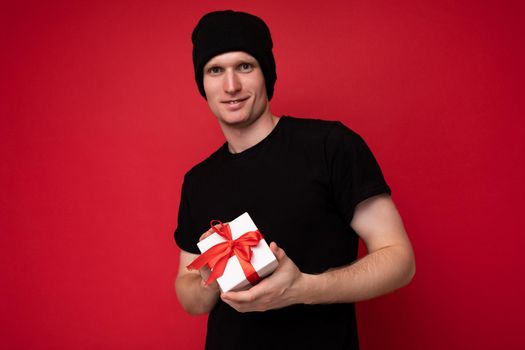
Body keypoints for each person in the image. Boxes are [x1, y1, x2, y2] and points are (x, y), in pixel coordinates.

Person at [174, 10, 415, 350]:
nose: (231, 86)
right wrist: (211, 279)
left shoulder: (330, 145)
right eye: (215, 70)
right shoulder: (198, 181)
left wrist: (303, 289)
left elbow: (399, 259)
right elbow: (189, 295)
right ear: (203, 83)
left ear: (266, 74)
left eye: (245, 66)